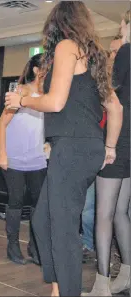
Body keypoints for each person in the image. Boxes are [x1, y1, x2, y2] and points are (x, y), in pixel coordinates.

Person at [4, 2, 123, 296]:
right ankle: (59, 287)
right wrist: (108, 147)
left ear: (56, 23)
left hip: (72, 148)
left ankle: (66, 292)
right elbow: (116, 108)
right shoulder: (93, 56)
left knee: (63, 228)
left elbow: (55, 102)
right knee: (43, 221)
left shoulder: (67, 46)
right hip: (82, 147)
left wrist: (23, 101)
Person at [85, 10, 130, 296]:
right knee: (121, 213)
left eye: (124, 22)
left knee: (104, 213)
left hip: (119, 140)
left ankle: (102, 283)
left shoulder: (127, 51)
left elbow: (109, 93)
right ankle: (126, 275)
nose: (121, 27)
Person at [0, 54, 46, 265]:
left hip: (38, 158)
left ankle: (35, 248)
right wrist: (2, 154)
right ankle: (12, 246)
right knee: (16, 201)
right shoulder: (20, 91)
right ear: (36, 70)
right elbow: (1, 124)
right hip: (14, 158)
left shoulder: (50, 95)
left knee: (38, 204)